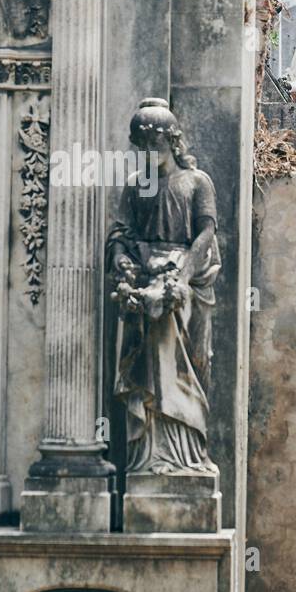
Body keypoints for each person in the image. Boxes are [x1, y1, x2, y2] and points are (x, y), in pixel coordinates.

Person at [106, 98, 220, 474]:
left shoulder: (196, 182)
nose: (148, 152)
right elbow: (120, 234)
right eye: (141, 145)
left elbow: (206, 234)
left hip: (182, 284)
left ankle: (187, 457)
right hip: (143, 282)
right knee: (147, 368)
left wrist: (181, 277)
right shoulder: (137, 187)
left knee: (184, 369)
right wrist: (122, 259)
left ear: (172, 141)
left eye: (154, 144)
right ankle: (150, 458)